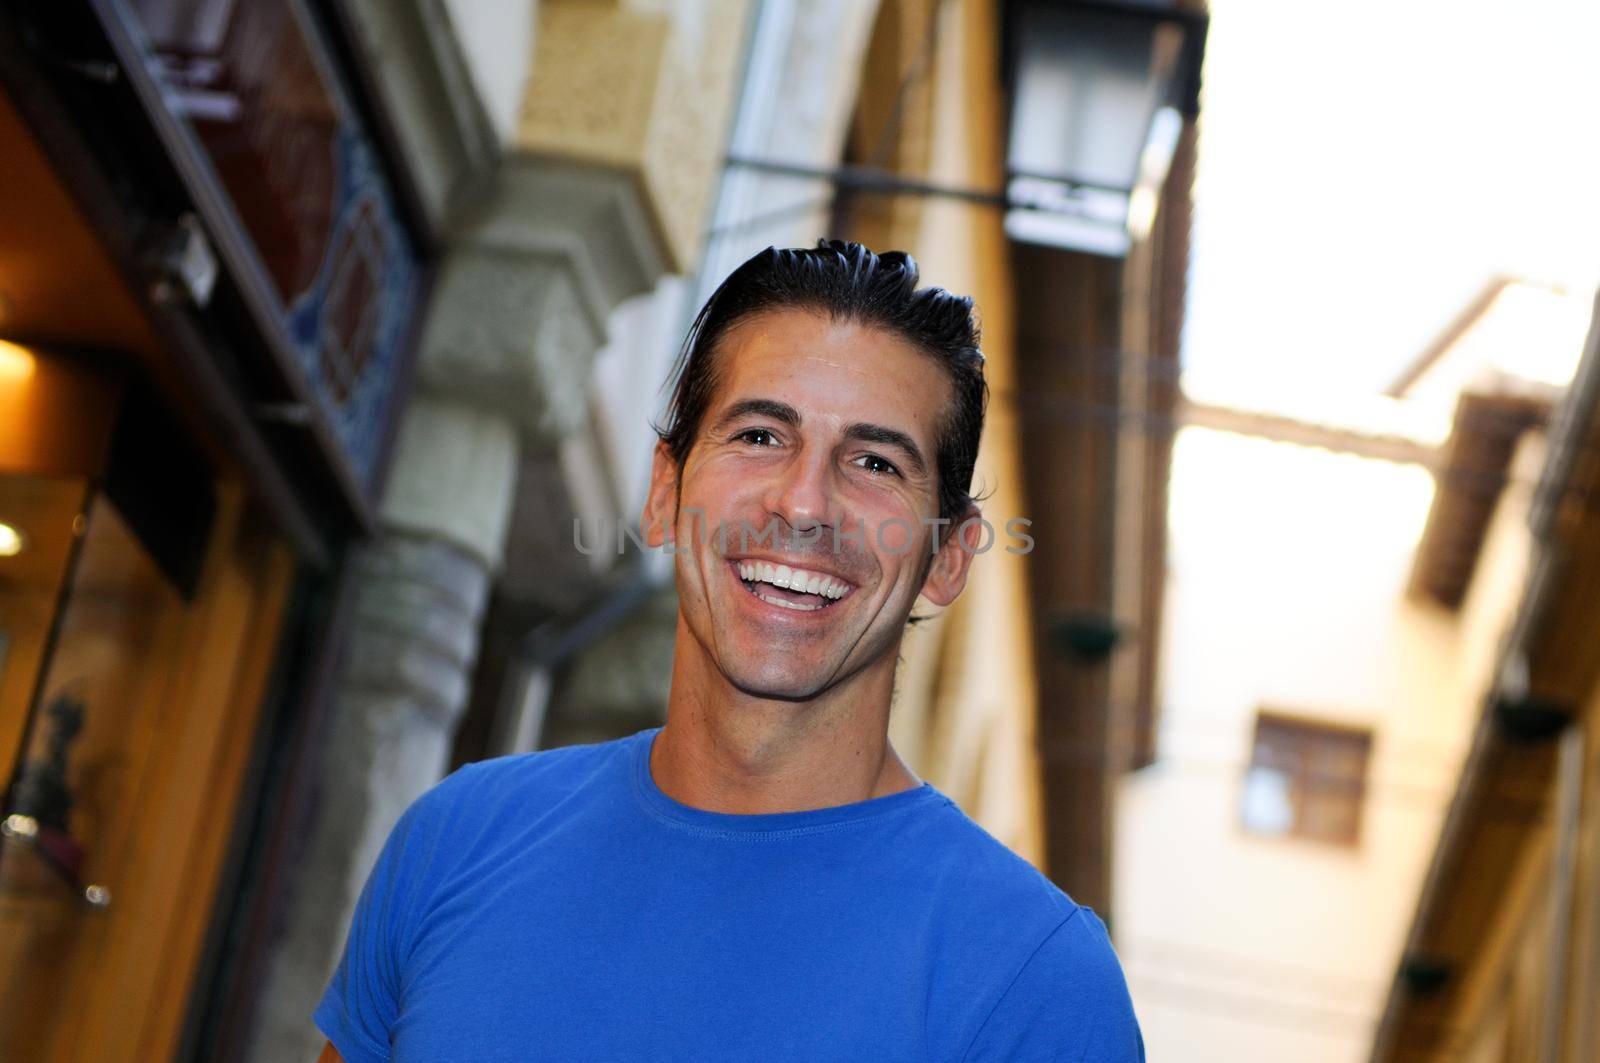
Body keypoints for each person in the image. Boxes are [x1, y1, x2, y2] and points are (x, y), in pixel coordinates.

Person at [312, 240, 1144, 1061]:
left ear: (949, 557)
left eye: (875, 460)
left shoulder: (1036, 985)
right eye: (759, 436)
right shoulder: (458, 839)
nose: (804, 503)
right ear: (665, 492)